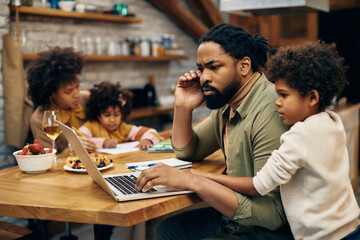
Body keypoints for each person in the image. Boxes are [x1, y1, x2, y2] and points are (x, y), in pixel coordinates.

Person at [189, 41, 360, 239]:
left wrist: (199, 178)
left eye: (284, 95)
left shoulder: (299, 136)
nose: (276, 102)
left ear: (312, 98)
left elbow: (258, 185)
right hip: (351, 227)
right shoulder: (332, 122)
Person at [136, 23, 292, 239]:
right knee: (167, 231)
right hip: (238, 213)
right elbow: (189, 151)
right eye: (201, 69)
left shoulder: (270, 108)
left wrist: (192, 180)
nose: (203, 77)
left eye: (214, 67)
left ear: (244, 66)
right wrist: (182, 107)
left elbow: (273, 215)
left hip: (267, 228)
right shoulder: (228, 102)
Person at [27, 46, 97, 152]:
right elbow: (49, 158)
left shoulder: (85, 99)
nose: (76, 94)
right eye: (68, 91)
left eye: (77, 87)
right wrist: (69, 150)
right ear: (52, 93)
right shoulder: (39, 119)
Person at [79, 81, 162, 149]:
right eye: (107, 115)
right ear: (98, 114)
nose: (112, 119)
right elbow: (78, 140)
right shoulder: (91, 126)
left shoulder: (123, 128)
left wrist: (147, 140)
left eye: (116, 114)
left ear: (122, 114)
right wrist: (103, 142)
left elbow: (151, 131)